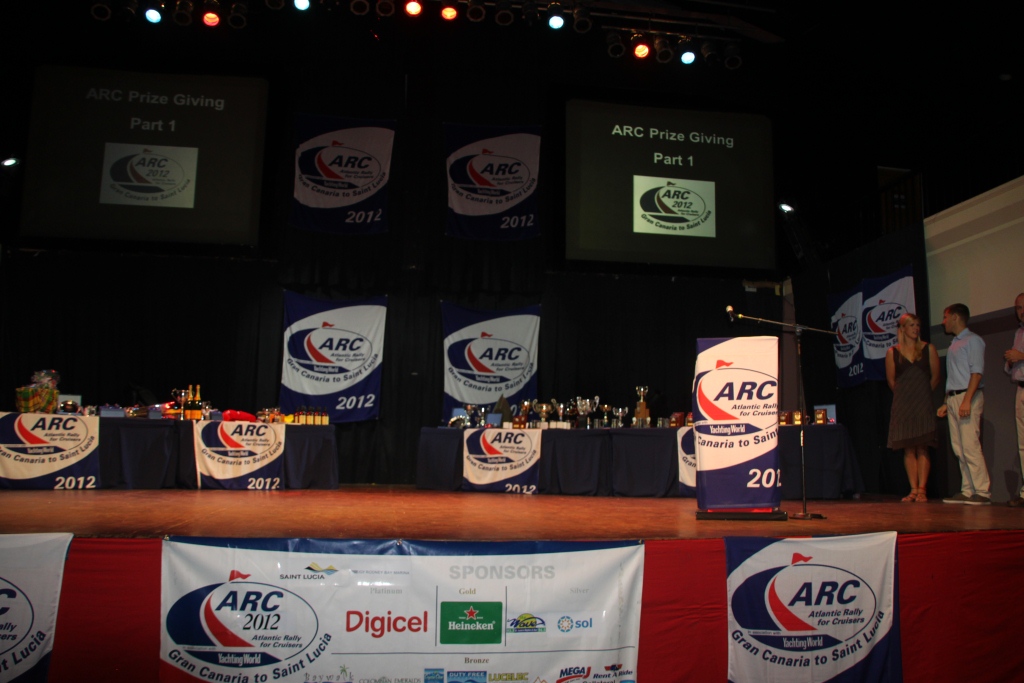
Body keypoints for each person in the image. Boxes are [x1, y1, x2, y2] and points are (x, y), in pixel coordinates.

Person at [936, 303, 992, 504]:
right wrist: (946, 401)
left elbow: (976, 373)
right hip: (954, 398)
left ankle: (982, 491)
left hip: (967, 396)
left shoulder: (973, 340)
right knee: (959, 447)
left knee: (970, 445)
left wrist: (966, 400)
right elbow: (954, 377)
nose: (943, 322)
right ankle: (968, 489)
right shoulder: (954, 344)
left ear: (955, 317)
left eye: (945, 317)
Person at [885, 313, 940, 502]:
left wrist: (922, 395)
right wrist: (906, 397)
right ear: (903, 329)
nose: (916, 328)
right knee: (908, 448)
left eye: (917, 325)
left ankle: (922, 489)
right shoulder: (893, 352)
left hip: (923, 404)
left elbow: (935, 377)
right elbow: (891, 381)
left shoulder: (928, 349)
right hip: (903, 406)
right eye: (912, 325)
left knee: (923, 447)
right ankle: (913, 489)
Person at [1005, 293, 1024, 507]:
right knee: (1022, 444)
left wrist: (1021, 356)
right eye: (1018, 308)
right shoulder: (1018, 333)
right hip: (1020, 388)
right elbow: (1011, 366)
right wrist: (1010, 361)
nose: (1022, 311)